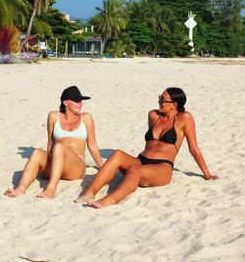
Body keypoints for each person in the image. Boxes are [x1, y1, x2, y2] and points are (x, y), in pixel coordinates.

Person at [75, 87, 218, 208]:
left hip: (162, 167)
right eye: (159, 98)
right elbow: (151, 144)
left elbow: (193, 148)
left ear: (174, 104)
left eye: (163, 100)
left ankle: (110, 200)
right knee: (118, 154)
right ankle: (89, 192)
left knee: (135, 170)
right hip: (141, 160)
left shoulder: (184, 118)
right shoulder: (153, 115)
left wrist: (207, 174)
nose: (159, 102)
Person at [5, 86, 104, 199]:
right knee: (37, 152)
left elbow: (92, 144)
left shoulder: (86, 118)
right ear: (65, 102)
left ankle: (51, 189)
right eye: (76, 100)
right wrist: (49, 162)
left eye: (80, 101)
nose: (80, 103)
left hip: (76, 167)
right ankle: (20, 189)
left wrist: (102, 166)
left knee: (59, 147)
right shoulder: (53, 117)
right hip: (57, 162)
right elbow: (50, 143)